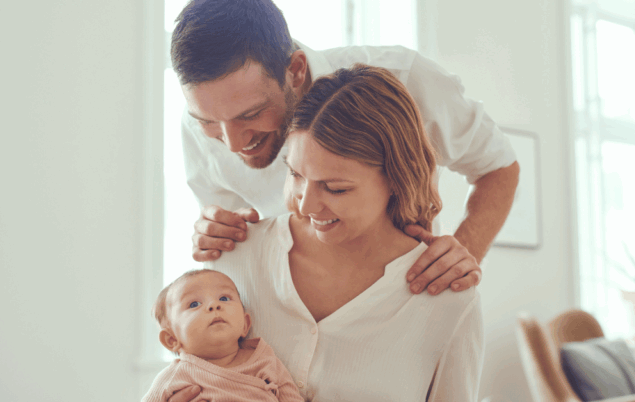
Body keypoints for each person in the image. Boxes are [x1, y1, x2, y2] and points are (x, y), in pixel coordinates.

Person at [168, 65, 484, 402]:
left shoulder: (448, 300)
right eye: (295, 175)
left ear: (395, 179)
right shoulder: (234, 256)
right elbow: (185, 373)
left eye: (335, 188)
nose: (305, 206)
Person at [172, 0, 520, 296]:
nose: (233, 144)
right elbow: (237, 247)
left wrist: (463, 254)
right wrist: (214, 234)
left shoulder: (405, 80)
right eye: (209, 121)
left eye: (251, 114)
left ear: (294, 71)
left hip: (403, 304)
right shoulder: (197, 130)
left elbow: (498, 165)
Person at [143, 269, 304, 402]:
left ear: (245, 324)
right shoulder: (175, 376)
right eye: (194, 304)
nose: (214, 305)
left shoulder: (264, 358)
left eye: (224, 298)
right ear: (172, 339)